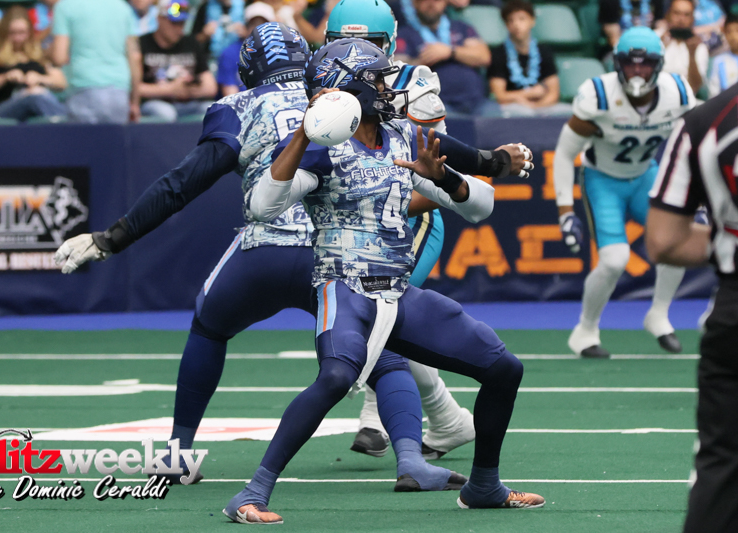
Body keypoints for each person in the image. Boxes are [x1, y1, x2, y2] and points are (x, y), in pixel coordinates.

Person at [53, 21, 532, 492]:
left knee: (210, 327)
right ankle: (407, 459)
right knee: (380, 352)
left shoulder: (247, 107)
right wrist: (493, 163)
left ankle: (179, 452)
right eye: (381, 81)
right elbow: (276, 196)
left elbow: (183, 184)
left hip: (268, 249)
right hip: (330, 255)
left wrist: (112, 238)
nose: (389, 89)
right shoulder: (350, 121)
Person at [223, 39, 543, 524]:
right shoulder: (322, 148)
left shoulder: (404, 137)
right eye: (376, 78)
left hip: (396, 289)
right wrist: (304, 136)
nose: (386, 87)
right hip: (344, 287)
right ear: (347, 85)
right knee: (336, 377)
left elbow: (481, 205)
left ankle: (483, 486)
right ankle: (252, 493)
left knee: (505, 369)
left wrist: (445, 179)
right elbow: (261, 207)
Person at [324, 0, 478, 461]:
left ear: (389, 45)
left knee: (383, 312)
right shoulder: (321, 88)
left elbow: (436, 176)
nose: (355, 56)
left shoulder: (415, 85)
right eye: (343, 43)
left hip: (408, 217)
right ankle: (445, 419)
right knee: (382, 319)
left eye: (368, 44)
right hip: (352, 225)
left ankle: (381, 414)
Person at [552, 27, 696, 358]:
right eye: (630, 63)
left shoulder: (677, 93)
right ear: (617, 64)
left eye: (645, 64)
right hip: (603, 179)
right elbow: (564, 153)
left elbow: (693, 144)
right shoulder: (599, 96)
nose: (637, 71)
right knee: (614, 260)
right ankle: (586, 330)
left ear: (659, 65)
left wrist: (696, 193)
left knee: (677, 243)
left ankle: (658, 314)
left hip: (646, 176)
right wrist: (565, 211)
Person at [646, 81, 738, 533]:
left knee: (723, 466)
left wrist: (726, 241)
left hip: (734, 312)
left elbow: (664, 241)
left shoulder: (704, 120)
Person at [395, 0, 497, 116]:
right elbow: (397, 70)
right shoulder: (404, 34)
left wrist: (450, 52)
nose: (431, 4)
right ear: (415, 4)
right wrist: (421, 62)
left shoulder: (461, 27)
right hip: (435, 105)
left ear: (445, 2)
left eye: (437, 0)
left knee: (502, 120)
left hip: (477, 102)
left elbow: (484, 57)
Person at [51, 0, 142, 123]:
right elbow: (134, 58)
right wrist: (135, 103)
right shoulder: (123, 7)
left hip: (82, 89)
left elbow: (59, 57)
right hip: (119, 93)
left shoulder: (65, 6)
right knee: (114, 136)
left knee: (83, 137)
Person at [0, 7, 67, 122]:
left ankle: (65, 122)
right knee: (34, 98)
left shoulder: (38, 53)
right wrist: (5, 77)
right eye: (12, 33)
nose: (17, 38)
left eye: (22, 32)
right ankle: (68, 125)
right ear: (4, 32)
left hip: (40, 101)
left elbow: (61, 82)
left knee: (38, 95)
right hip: (4, 108)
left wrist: (39, 78)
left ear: (29, 32)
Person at [488, 0, 572, 117]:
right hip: (513, 106)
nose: (516, 25)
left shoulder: (543, 51)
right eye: (511, 20)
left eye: (522, 19)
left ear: (532, 21)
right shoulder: (499, 53)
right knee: (522, 113)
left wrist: (536, 107)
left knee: (571, 111)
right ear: (506, 25)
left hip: (543, 106)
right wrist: (528, 94)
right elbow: (499, 95)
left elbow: (553, 93)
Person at [139, 0, 217, 122]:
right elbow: (135, 88)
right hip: (154, 103)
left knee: (215, 110)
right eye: (174, 23)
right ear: (159, 19)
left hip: (188, 103)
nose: (179, 29)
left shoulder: (191, 43)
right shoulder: (142, 44)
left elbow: (210, 87)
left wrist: (188, 90)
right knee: (166, 113)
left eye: (182, 23)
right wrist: (170, 89)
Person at [216, 1, 275, 96]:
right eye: (254, 24)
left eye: (264, 25)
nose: (259, 29)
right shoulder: (230, 53)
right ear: (245, 27)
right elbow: (231, 96)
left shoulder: (278, 52)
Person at [657, 0, 709, 94]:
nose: (681, 19)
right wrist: (659, 48)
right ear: (667, 15)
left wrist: (692, 55)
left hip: (686, 98)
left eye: (686, 15)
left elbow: (695, 87)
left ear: (692, 19)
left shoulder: (699, 47)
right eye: (676, 13)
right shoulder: (655, 38)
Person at [598, 0, 666, 51]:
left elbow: (661, 24)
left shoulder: (656, 1)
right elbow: (614, 40)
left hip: (651, 46)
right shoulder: (610, 2)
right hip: (620, 50)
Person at [708, 13, 738, 97]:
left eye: (737, 30)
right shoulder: (719, 61)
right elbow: (713, 93)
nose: (733, 36)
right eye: (728, 32)